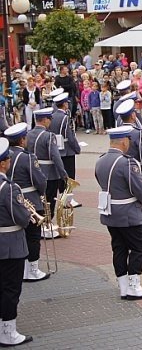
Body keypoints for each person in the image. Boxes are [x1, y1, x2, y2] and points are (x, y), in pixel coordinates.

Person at [96, 126, 142, 301]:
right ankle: (134, 286)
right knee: (138, 247)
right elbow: (141, 192)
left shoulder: (101, 160)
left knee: (119, 248)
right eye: (128, 140)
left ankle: (123, 287)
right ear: (123, 141)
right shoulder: (126, 163)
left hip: (110, 213)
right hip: (128, 214)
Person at [5, 123, 49, 282]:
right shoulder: (27, 157)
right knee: (33, 236)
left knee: (20, 235)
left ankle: (23, 268)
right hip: (30, 201)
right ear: (22, 140)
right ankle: (33, 269)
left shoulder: (6, 155)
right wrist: (42, 192)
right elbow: (40, 181)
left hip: (9, 201)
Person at [0, 137, 33, 346]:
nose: (10, 161)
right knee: (11, 290)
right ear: (3, 163)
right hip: (10, 244)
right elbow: (22, 218)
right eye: (8, 159)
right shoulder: (9, 188)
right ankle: (8, 332)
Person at [26, 108, 68, 237]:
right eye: (49, 119)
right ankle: (47, 225)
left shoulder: (29, 134)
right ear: (44, 120)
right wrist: (64, 175)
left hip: (33, 172)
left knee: (39, 200)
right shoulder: (48, 136)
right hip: (50, 173)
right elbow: (55, 157)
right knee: (49, 201)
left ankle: (39, 224)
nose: (50, 122)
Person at [49, 93, 81, 207]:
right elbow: (69, 136)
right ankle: (67, 199)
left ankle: (63, 197)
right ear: (64, 104)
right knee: (69, 175)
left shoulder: (52, 115)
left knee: (60, 175)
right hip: (66, 150)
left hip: (56, 149)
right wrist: (77, 148)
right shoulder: (65, 117)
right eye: (67, 102)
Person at [117, 100, 142, 187]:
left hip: (120, 170)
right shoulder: (137, 133)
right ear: (133, 115)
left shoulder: (117, 132)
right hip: (137, 171)